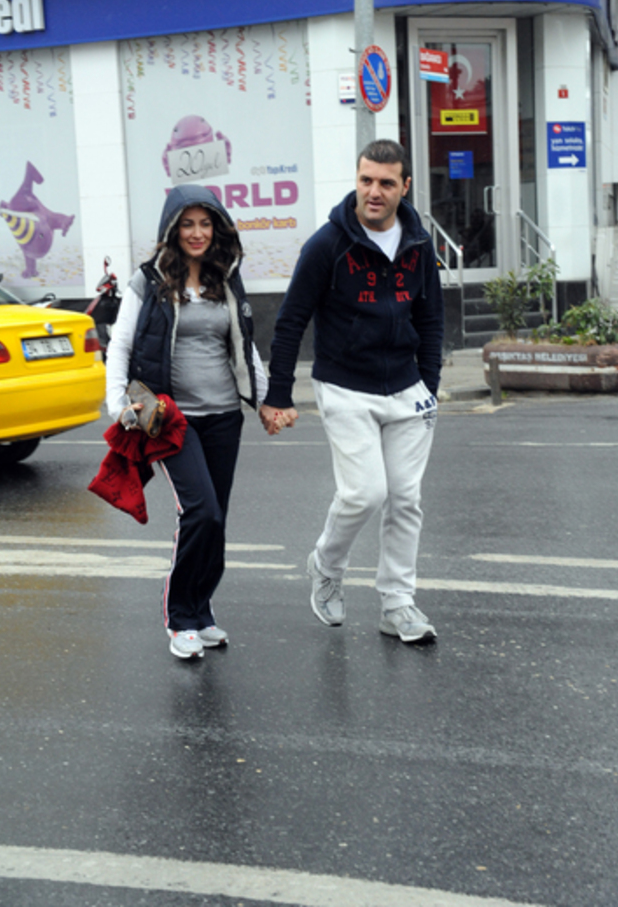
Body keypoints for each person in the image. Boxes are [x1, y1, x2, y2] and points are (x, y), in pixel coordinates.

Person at [260, 140, 444, 644]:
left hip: (406, 387)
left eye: (386, 182)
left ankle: (397, 604)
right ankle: (326, 563)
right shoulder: (328, 244)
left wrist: (429, 387)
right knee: (365, 493)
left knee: (405, 498)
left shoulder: (418, 244)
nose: (374, 192)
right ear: (356, 180)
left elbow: (431, 319)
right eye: (366, 180)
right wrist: (279, 394)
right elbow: (291, 320)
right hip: (344, 384)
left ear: (405, 186)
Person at [106, 184, 268, 660]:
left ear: (217, 228)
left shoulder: (226, 277)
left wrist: (267, 400)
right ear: (172, 229)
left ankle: (202, 611)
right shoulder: (148, 281)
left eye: (205, 223)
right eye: (187, 224)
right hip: (173, 420)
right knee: (201, 512)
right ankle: (180, 617)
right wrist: (118, 404)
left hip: (224, 416)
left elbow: (244, 344)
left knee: (217, 521)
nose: (197, 233)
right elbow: (121, 344)